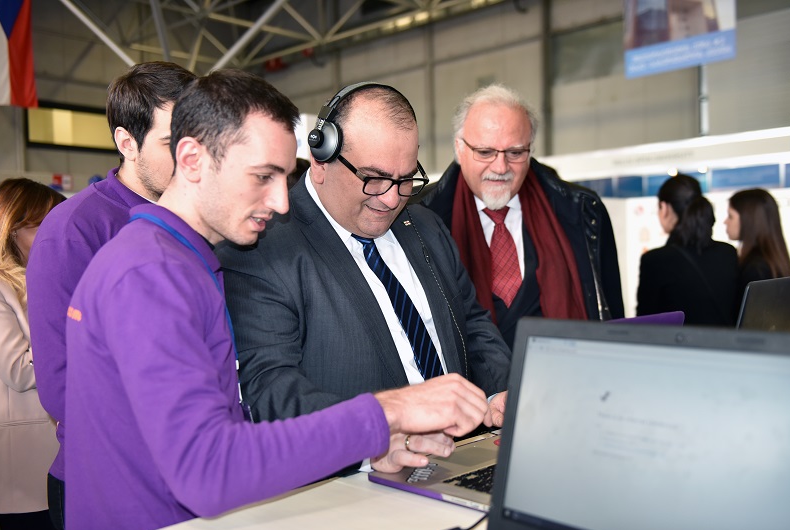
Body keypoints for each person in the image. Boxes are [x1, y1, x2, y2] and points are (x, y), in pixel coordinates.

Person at [64, 69, 493, 530]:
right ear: (191, 159)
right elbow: (209, 469)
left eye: (284, 178)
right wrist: (386, 413)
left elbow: (225, 436)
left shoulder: (176, 261)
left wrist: (373, 444)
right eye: (262, 177)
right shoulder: (151, 275)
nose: (282, 203)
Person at [217, 82, 511, 437]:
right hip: (363, 463)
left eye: (405, 179)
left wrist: (498, 393)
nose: (391, 199)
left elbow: (472, 322)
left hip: (462, 450)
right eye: (374, 179)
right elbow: (273, 392)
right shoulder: (262, 250)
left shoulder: (425, 226)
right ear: (321, 159)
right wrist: (386, 420)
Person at [25, 61, 196, 530]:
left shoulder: (203, 221)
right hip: (111, 484)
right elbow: (61, 385)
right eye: (172, 142)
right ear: (127, 142)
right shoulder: (75, 230)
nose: (192, 158)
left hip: (194, 473)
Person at [421, 84, 624, 348]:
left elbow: (610, 315)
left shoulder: (582, 211)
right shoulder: (421, 219)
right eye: (485, 152)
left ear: (530, 150)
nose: (500, 167)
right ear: (459, 149)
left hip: (563, 368)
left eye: (515, 153)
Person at [0, 178, 65, 530]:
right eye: (43, 226)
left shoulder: (40, 277)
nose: (55, 236)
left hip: (56, 455)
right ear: (12, 230)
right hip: (24, 465)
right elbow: (19, 370)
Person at [637, 174, 738, 326]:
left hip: (675, 342)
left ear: (664, 208)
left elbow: (645, 325)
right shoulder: (728, 253)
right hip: (725, 342)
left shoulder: (655, 260)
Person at [725, 188, 790, 301]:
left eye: (730, 216)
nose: (725, 222)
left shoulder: (756, 269)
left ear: (748, 220)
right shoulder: (772, 261)